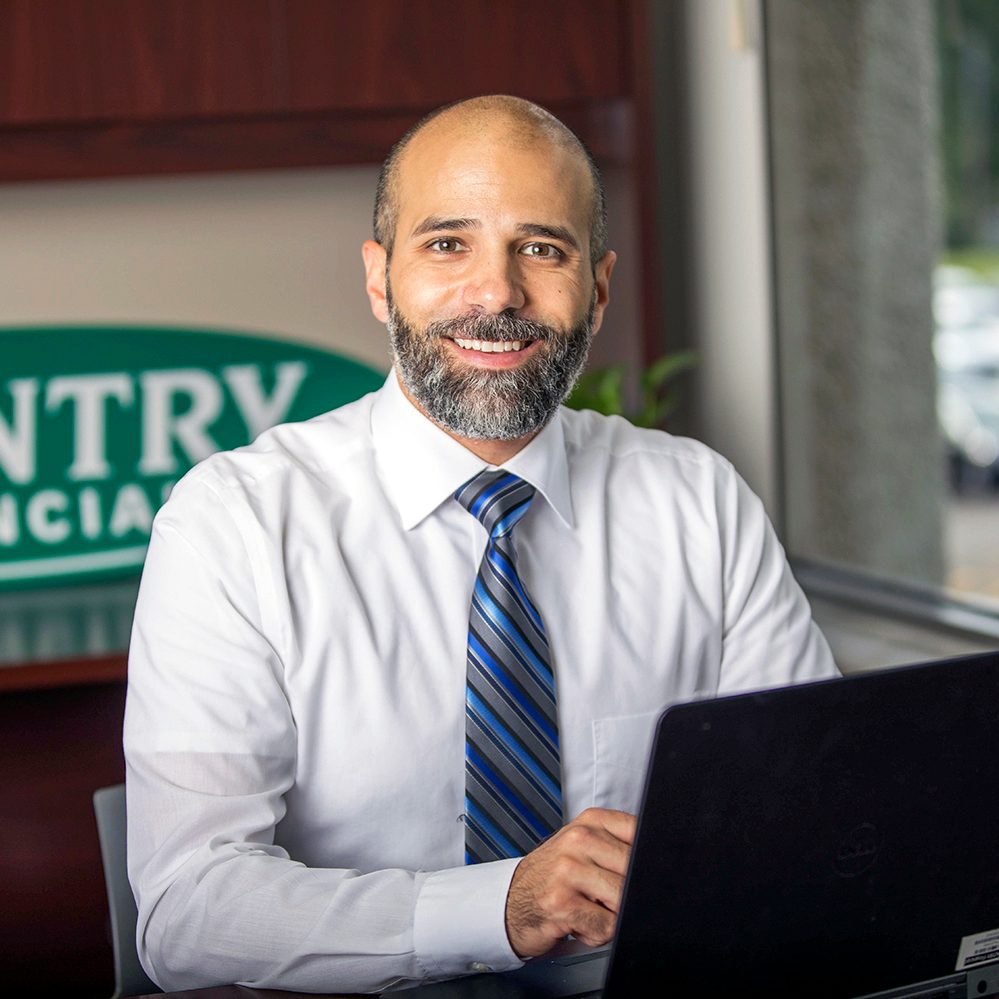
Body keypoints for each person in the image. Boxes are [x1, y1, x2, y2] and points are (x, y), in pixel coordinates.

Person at [124, 94, 838, 993]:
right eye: (447, 243)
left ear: (599, 286)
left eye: (541, 248)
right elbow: (190, 910)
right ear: (381, 279)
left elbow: (815, 811)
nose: (496, 293)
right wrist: (501, 906)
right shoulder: (234, 524)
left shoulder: (699, 499)